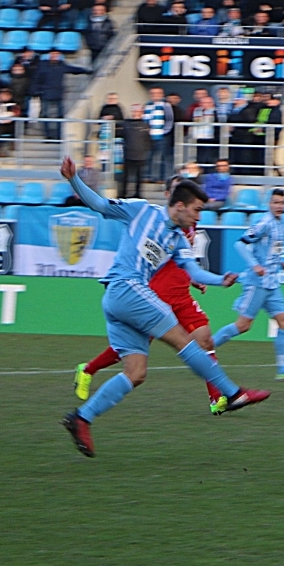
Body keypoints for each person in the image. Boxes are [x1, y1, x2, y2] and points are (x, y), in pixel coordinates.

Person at [57, 160, 268, 458]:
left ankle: (81, 418)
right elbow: (100, 205)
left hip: (119, 301)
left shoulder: (177, 239)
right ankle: (232, 393)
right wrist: (74, 180)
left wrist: (222, 279)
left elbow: (194, 272)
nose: (197, 216)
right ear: (179, 206)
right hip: (125, 287)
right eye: (196, 210)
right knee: (183, 339)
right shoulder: (141, 209)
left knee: (136, 372)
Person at [73, 176, 226, 413]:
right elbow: (151, 257)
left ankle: (217, 398)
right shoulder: (150, 218)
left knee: (204, 338)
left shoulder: (185, 226)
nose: (196, 214)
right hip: (154, 292)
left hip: (181, 293)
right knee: (134, 348)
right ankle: (88, 370)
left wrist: (195, 278)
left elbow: (183, 261)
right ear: (171, 199)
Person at [210, 188, 284, 382]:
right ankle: (204, 350)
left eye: (282, 203)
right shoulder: (264, 223)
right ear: (269, 204)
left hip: (272, 283)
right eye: (276, 203)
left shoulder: (282, 224)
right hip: (257, 283)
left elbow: (272, 252)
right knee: (243, 326)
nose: (279, 206)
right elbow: (240, 244)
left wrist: (283, 264)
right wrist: (254, 265)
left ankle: (283, 370)